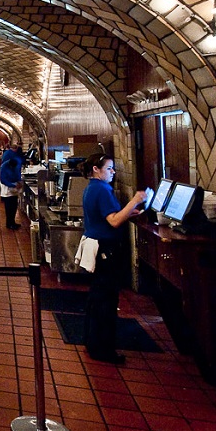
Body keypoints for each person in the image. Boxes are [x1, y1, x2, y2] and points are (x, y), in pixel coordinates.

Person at [80, 154, 146, 364]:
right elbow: (114, 221)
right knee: (106, 300)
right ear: (96, 170)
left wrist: (129, 212)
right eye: (109, 168)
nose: (113, 172)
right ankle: (103, 349)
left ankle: (92, 341)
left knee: (97, 297)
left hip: (96, 245)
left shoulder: (92, 187)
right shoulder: (102, 190)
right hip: (105, 248)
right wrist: (135, 200)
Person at [0, 142, 24, 229]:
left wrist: (19, 181)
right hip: (7, 190)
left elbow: (17, 174)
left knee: (14, 206)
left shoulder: (16, 164)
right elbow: (3, 180)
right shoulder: (4, 167)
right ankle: (9, 223)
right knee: (9, 207)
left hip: (14, 190)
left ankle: (13, 222)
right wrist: (13, 184)